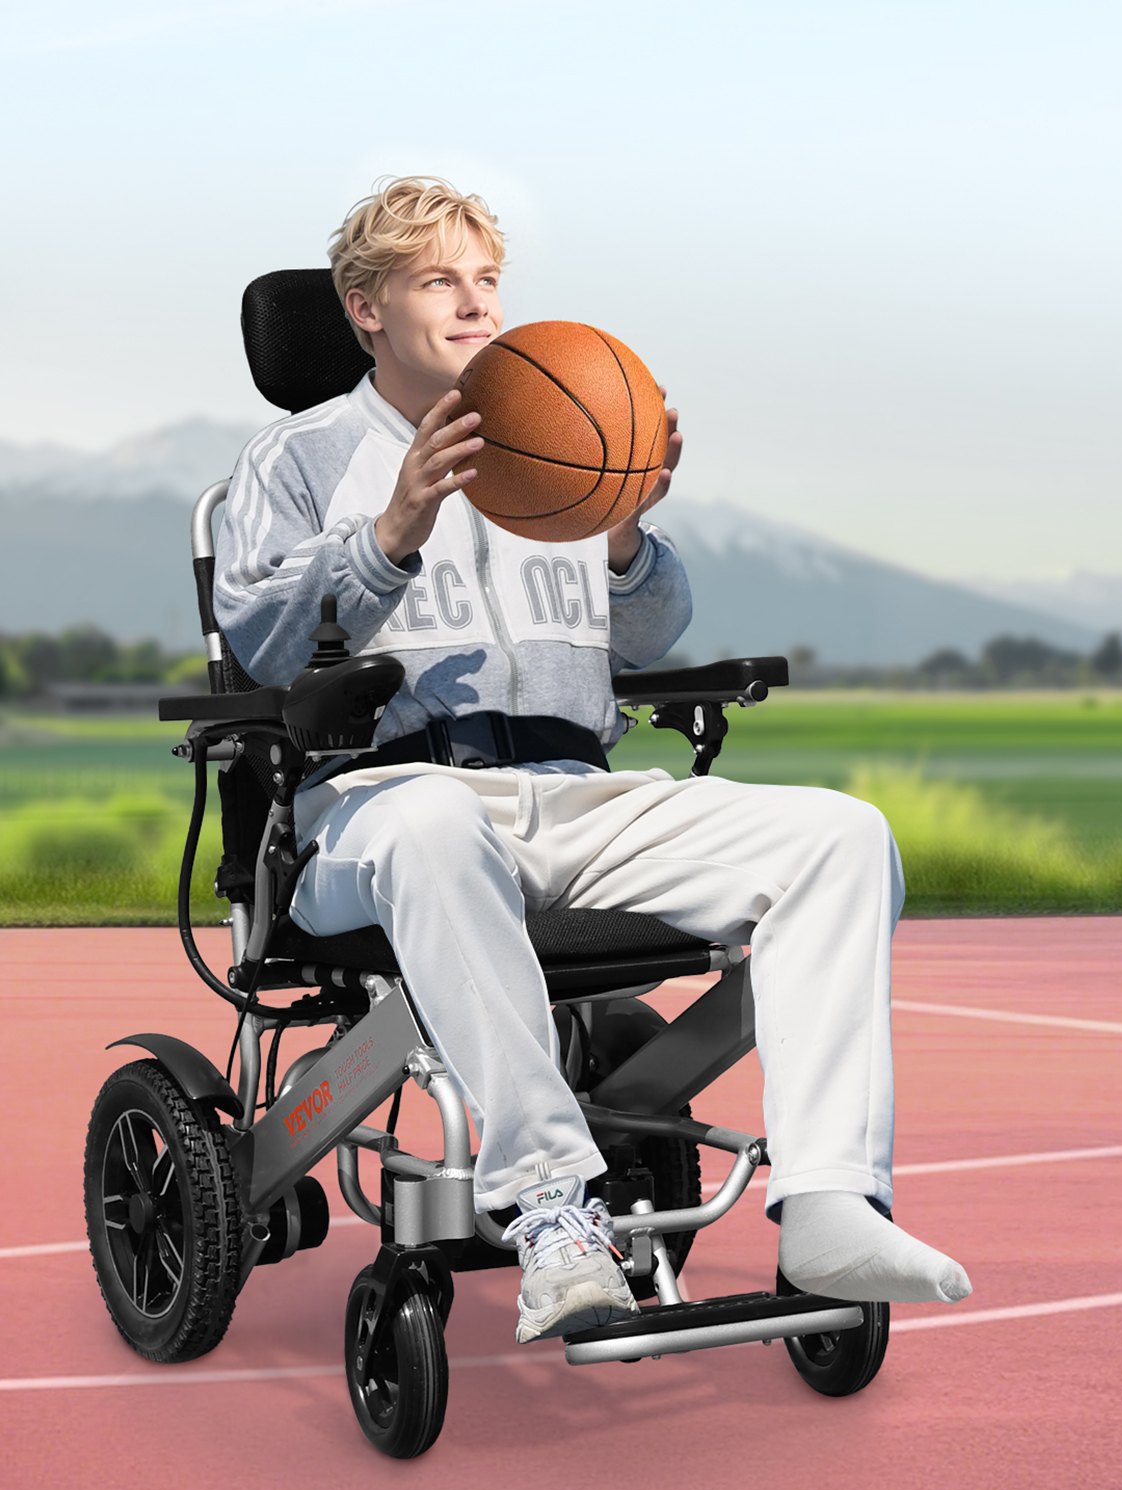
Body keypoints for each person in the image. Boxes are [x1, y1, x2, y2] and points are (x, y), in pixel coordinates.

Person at [213, 174, 971, 1343]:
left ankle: (827, 1196)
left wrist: (623, 532)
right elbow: (256, 645)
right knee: (433, 824)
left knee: (841, 835)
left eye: (485, 282)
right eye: (436, 282)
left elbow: (648, 634)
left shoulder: (557, 442)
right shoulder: (298, 461)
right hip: (381, 805)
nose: (474, 307)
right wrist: (390, 534)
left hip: (574, 792)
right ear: (364, 307)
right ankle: (554, 1210)